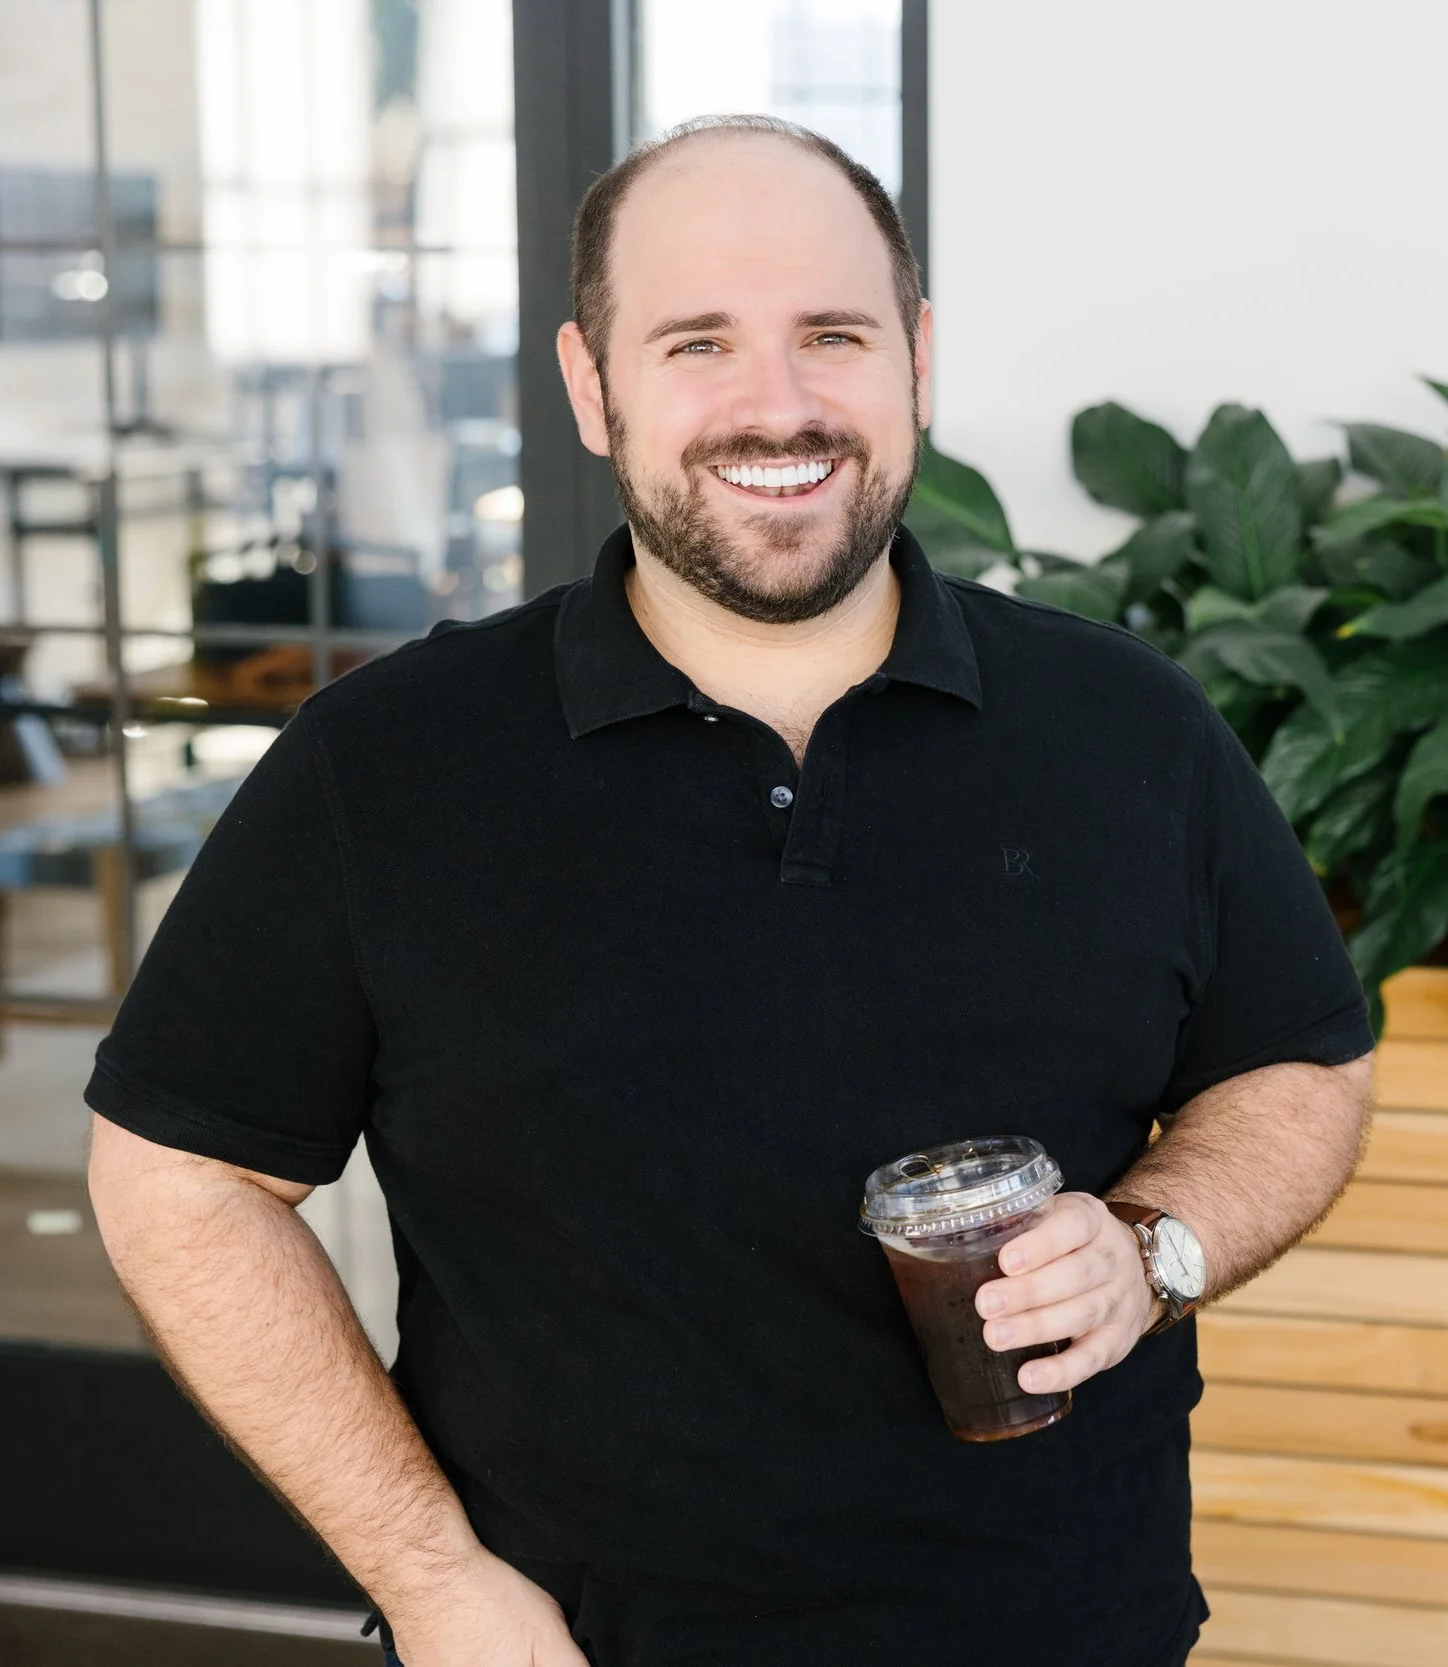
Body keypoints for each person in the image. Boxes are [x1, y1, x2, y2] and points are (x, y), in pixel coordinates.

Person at [85, 116, 1374, 1667]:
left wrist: (1158, 1245)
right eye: (697, 343)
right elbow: (182, 1176)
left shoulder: (1128, 728)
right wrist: (435, 1583)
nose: (779, 403)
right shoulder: (386, 768)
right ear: (591, 385)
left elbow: (1295, 1064)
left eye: (832, 335)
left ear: (915, 360)